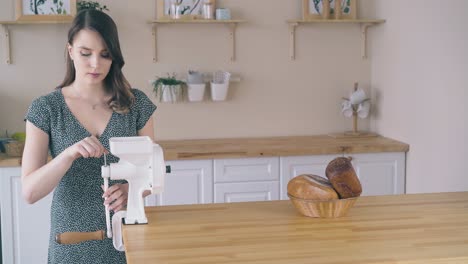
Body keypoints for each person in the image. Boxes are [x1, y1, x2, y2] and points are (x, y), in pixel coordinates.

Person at [21, 9, 156, 264]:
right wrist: (68, 155)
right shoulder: (46, 108)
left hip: (127, 240)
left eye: (105, 55)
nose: (96, 64)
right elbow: (29, 192)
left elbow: (151, 170)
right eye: (86, 53)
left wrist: (133, 189)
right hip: (71, 241)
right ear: (70, 50)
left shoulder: (136, 104)